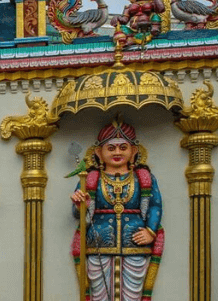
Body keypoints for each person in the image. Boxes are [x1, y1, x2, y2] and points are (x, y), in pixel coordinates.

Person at [70, 120, 164, 301]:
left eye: (123, 147)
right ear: (99, 152)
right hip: (99, 244)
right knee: (100, 293)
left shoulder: (143, 178)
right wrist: (80, 205)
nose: (117, 152)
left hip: (135, 244)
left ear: (134, 151)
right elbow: (80, 215)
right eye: (111, 148)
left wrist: (151, 232)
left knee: (132, 293)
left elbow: (155, 205)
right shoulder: (91, 179)